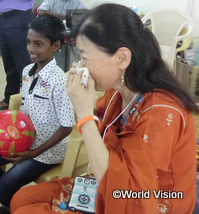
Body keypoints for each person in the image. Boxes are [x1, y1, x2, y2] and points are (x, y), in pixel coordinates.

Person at [11, 3, 198, 214]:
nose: (79, 65)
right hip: (113, 181)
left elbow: (123, 191)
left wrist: (85, 116)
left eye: (84, 56)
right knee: (21, 198)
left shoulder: (163, 113)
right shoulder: (118, 91)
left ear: (121, 58)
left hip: (147, 199)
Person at [0, 14, 75, 214]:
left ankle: (14, 203)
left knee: (1, 188)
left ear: (55, 46)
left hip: (46, 152)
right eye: (28, 42)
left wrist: (33, 153)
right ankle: (15, 201)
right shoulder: (26, 71)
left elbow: (67, 125)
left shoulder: (59, 81)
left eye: (38, 44)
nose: (31, 49)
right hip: (23, 142)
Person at [0, 0, 35, 110]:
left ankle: (32, 104)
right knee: (9, 63)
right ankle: (10, 98)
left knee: (24, 64)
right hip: (2, 18)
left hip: (18, 17)